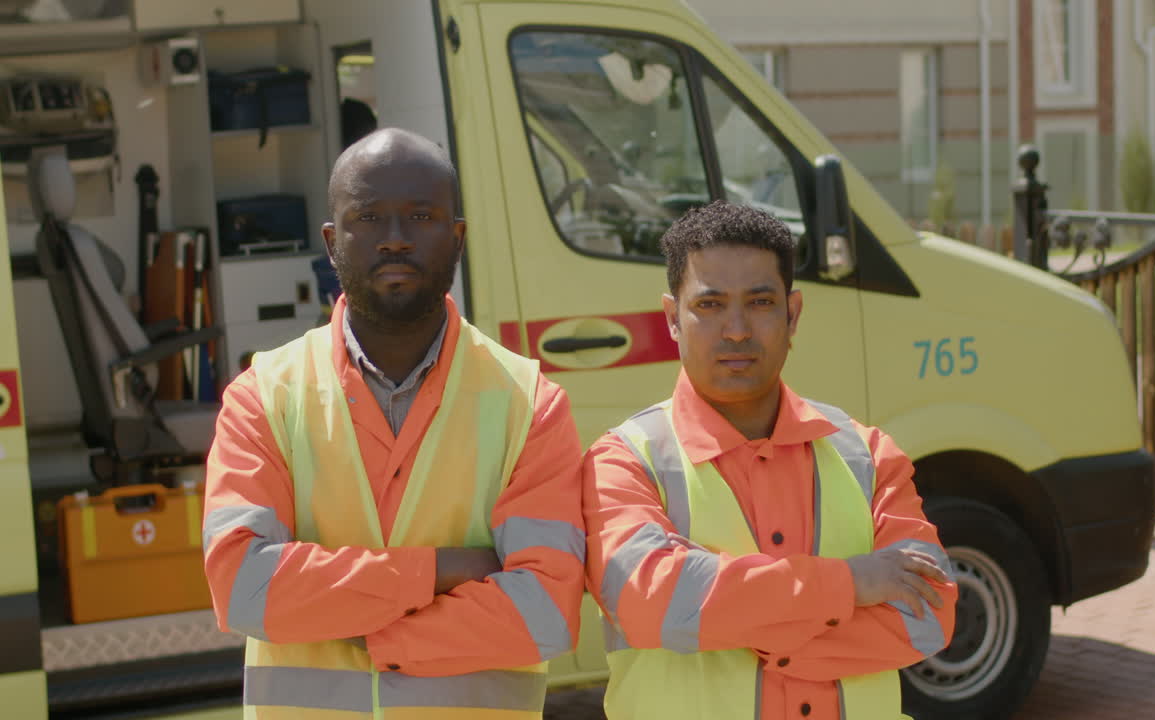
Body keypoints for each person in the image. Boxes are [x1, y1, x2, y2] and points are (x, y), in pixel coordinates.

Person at [203, 128, 585, 718]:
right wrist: (443, 570)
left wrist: (375, 635)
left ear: (457, 238)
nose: (396, 240)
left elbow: (546, 611)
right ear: (332, 243)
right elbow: (242, 590)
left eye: (422, 216)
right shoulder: (264, 396)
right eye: (369, 217)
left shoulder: (530, 403)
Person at [583, 200, 958, 720]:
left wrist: (745, 626)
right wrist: (851, 585)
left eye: (760, 302)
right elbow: (655, 604)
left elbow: (930, 616)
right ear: (673, 318)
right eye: (710, 306)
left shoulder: (868, 454)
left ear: (793, 313)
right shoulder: (623, 461)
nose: (736, 330)